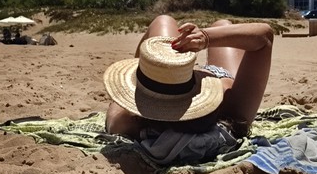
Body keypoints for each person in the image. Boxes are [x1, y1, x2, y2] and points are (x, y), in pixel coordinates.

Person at [103, 15, 273, 164]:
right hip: (199, 79)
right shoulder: (231, 110)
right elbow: (264, 36)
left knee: (163, 22)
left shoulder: (127, 123)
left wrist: (149, 74)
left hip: (182, 77)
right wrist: (205, 37)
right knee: (221, 24)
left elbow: (119, 101)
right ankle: (164, 67)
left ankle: (155, 67)